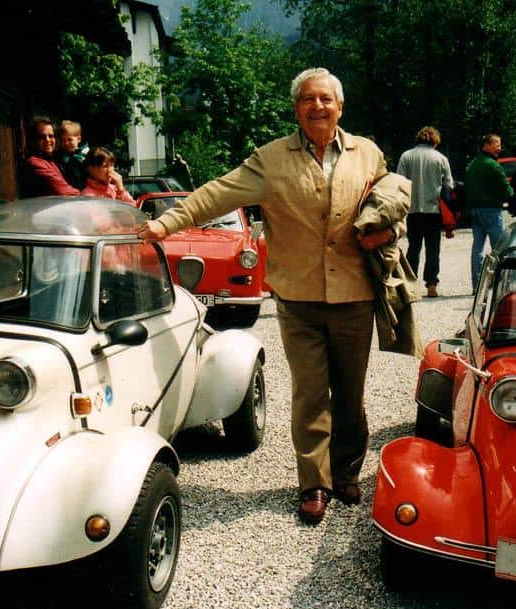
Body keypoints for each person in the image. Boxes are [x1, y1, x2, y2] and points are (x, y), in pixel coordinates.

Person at [138, 68, 409, 524]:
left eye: (325, 99)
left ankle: (346, 472)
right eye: (307, 99)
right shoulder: (271, 159)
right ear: (296, 109)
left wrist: (388, 230)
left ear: (340, 107)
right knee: (309, 393)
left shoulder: (368, 153)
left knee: (350, 391)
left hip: (353, 295)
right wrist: (166, 223)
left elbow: (391, 200)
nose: (317, 106)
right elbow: (218, 194)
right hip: (298, 299)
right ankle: (314, 483)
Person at [396, 126, 454, 297]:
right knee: (433, 249)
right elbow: (448, 185)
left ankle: (410, 284)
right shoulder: (441, 158)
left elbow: (399, 182)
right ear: (435, 140)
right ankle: (431, 284)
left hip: (412, 210)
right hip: (434, 210)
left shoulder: (406, 156)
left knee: (413, 248)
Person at [465, 133, 513, 292]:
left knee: (477, 248)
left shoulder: (472, 164)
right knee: (499, 248)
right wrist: (511, 192)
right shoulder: (493, 165)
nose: (499, 148)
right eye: (496, 144)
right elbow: (506, 189)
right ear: (486, 145)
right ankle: (501, 285)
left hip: (474, 210)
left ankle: (477, 286)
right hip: (491, 210)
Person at [19, 116, 81, 198]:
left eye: (51, 136)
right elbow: (64, 191)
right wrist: (87, 197)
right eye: (42, 137)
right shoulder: (35, 163)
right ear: (34, 139)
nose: (47, 140)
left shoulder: (52, 160)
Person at [57, 119, 90, 190]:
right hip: (70, 190)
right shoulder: (61, 156)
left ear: (79, 139)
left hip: (87, 190)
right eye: (63, 140)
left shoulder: (87, 154)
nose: (66, 143)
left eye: (69, 139)